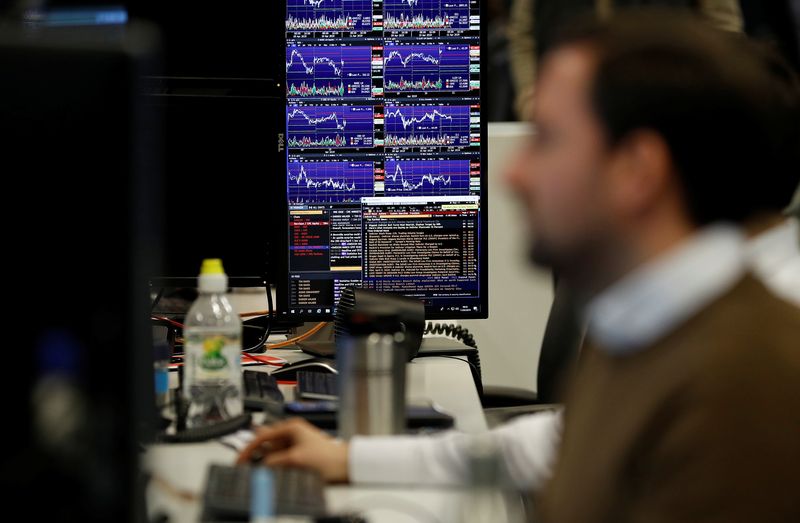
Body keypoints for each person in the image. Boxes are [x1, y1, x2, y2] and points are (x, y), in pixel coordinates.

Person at [240, 10, 800, 521]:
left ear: (637, 171)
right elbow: (550, 444)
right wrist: (350, 457)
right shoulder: (649, 319)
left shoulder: (744, 386)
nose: (514, 175)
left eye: (549, 141)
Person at [507, 0, 744, 120]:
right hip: (576, 110)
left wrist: (713, 95)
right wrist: (531, 96)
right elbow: (523, 33)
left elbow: (723, 28)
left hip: (675, 107)